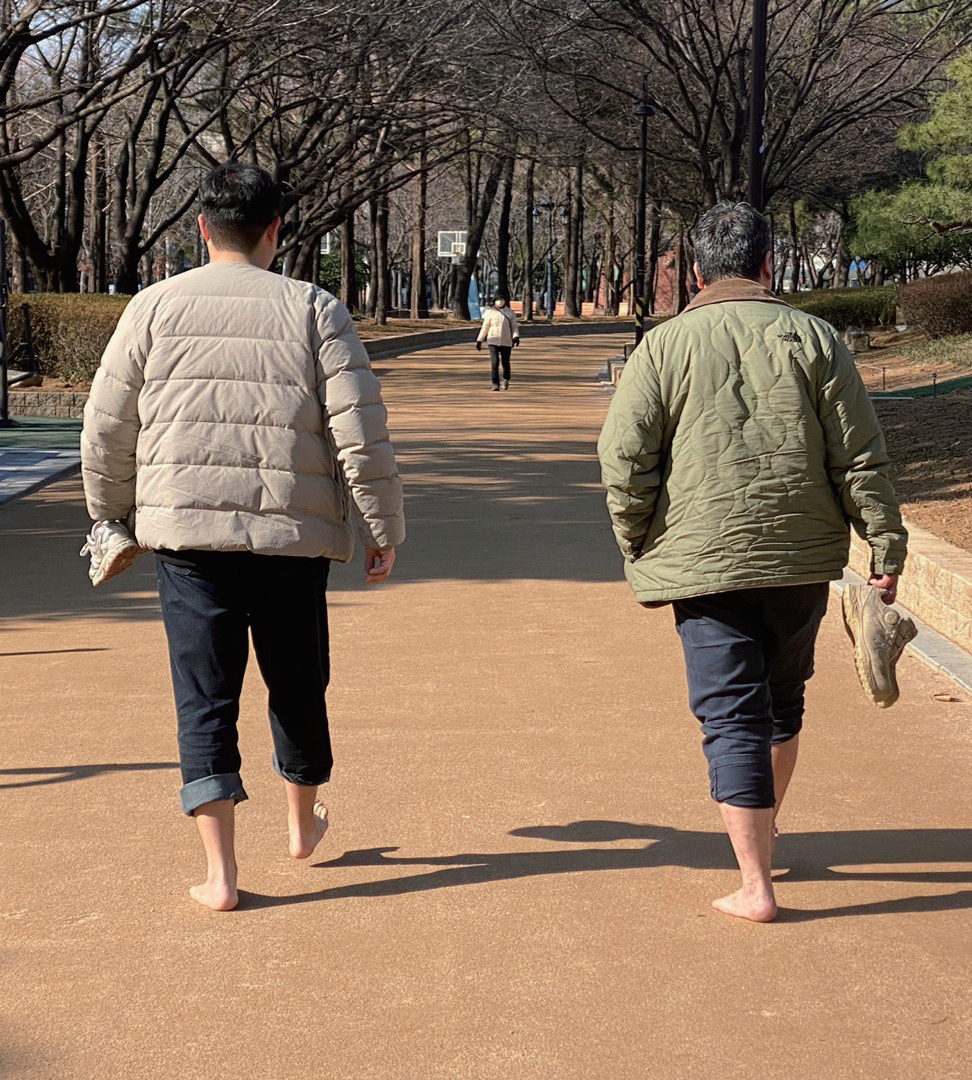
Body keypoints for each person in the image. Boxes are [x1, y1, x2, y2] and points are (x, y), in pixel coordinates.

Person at [81, 163, 405, 912]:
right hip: (292, 534)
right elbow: (361, 433)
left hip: (188, 537)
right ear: (274, 230)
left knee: (204, 695)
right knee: (297, 683)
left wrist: (111, 515)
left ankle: (221, 875)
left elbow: (105, 427)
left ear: (201, 229)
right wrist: (382, 526)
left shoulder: (154, 307)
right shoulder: (315, 308)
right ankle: (300, 828)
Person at [597, 201, 907, 923]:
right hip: (801, 557)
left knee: (730, 716)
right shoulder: (816, 338)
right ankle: (763, 841)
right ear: (769, 265)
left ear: (699, 271)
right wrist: (884, 544)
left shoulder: (662, 347)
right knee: (783, 702)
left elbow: (624, 459)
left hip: (703, 562)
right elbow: (859, 455)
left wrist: (638, 541)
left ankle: (754, 883)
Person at [476, 294, 520, 390]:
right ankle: (495, 384)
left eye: (501, 299)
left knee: (505, 362)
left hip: (506, 340)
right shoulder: (490, 312)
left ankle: (506, 379)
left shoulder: (510, 313)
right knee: (494, 362)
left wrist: (515, 337)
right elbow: (485, 327)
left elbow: (514, 327)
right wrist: (479, 340)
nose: (499, 301)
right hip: (493, 340)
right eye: (497, 299)